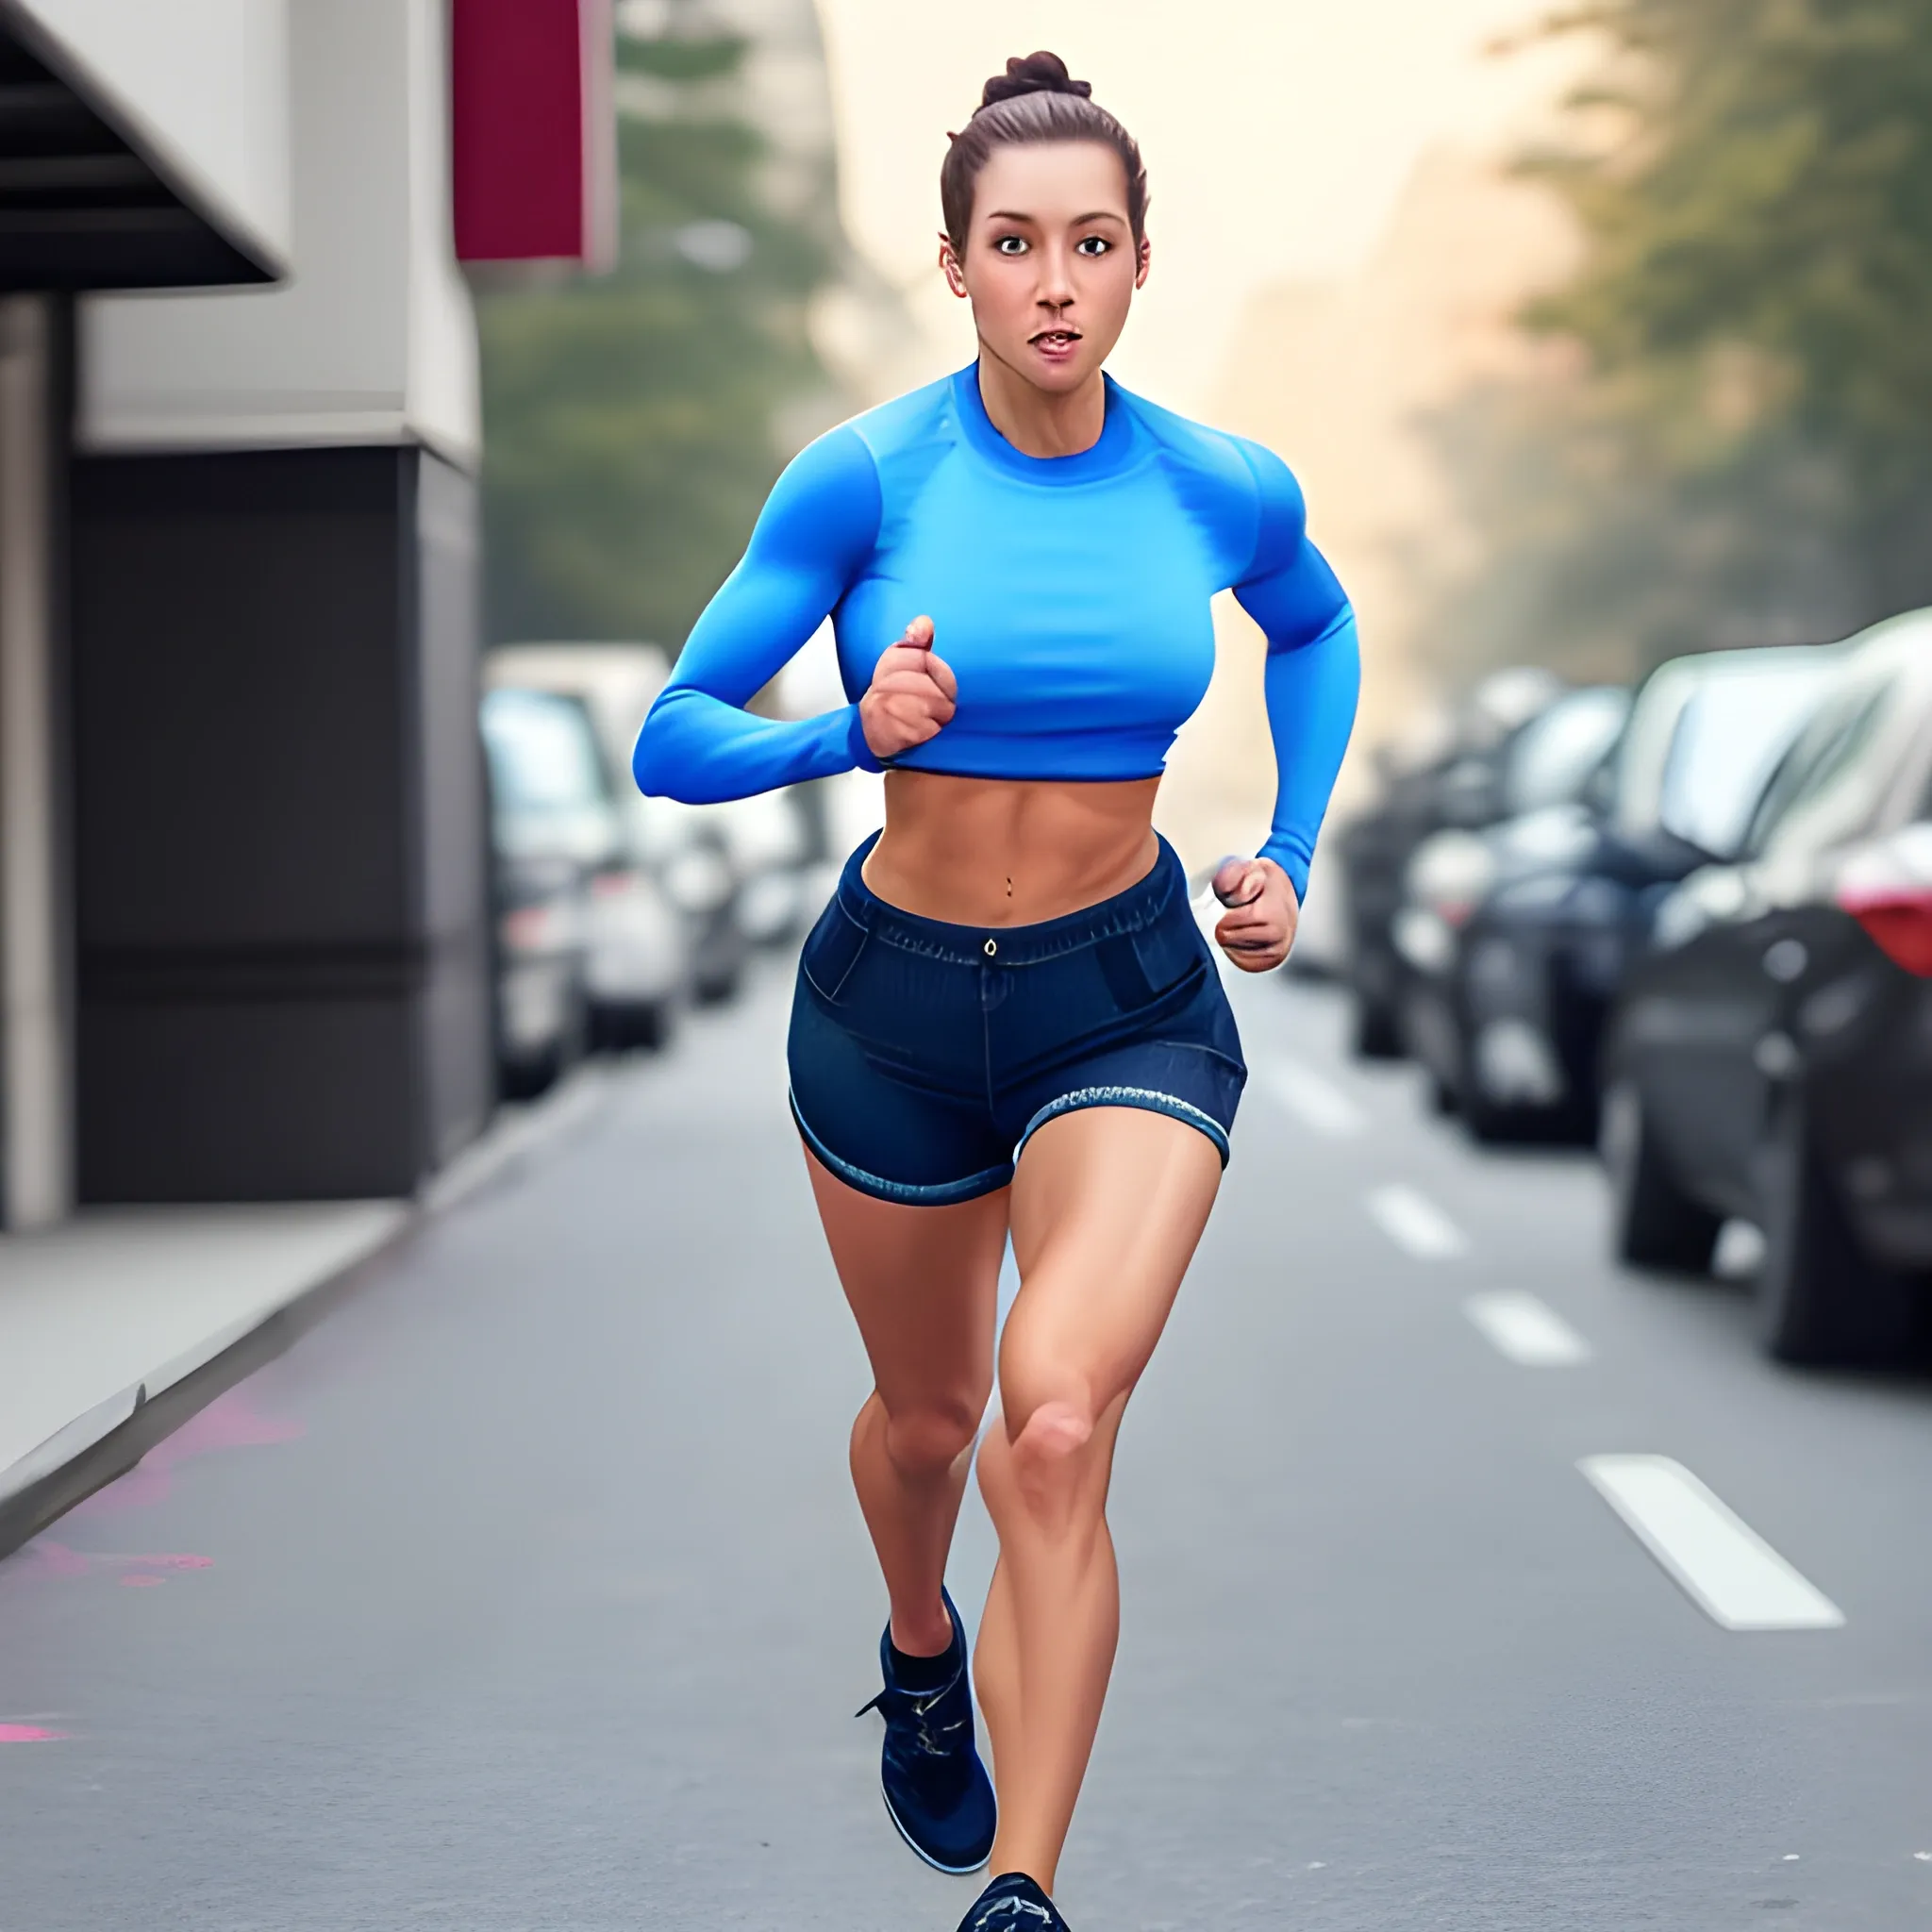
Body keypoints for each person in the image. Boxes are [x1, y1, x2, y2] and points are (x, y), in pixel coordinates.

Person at [633, 50, 1358, 1931]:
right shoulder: (861, 479)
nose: (1054, 281)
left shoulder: (1217, 485)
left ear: (1136, 267)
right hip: (888, 1010)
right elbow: (670, 735)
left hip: (1121, 995)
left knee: (1055, 1419)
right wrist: (840, 732)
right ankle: (917, 1633)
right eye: (1014, 242)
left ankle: (1023, 1883)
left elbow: (1315, 622)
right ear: (952, 266)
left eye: (1090, 243)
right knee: (934, 1422)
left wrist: (1288, 839)